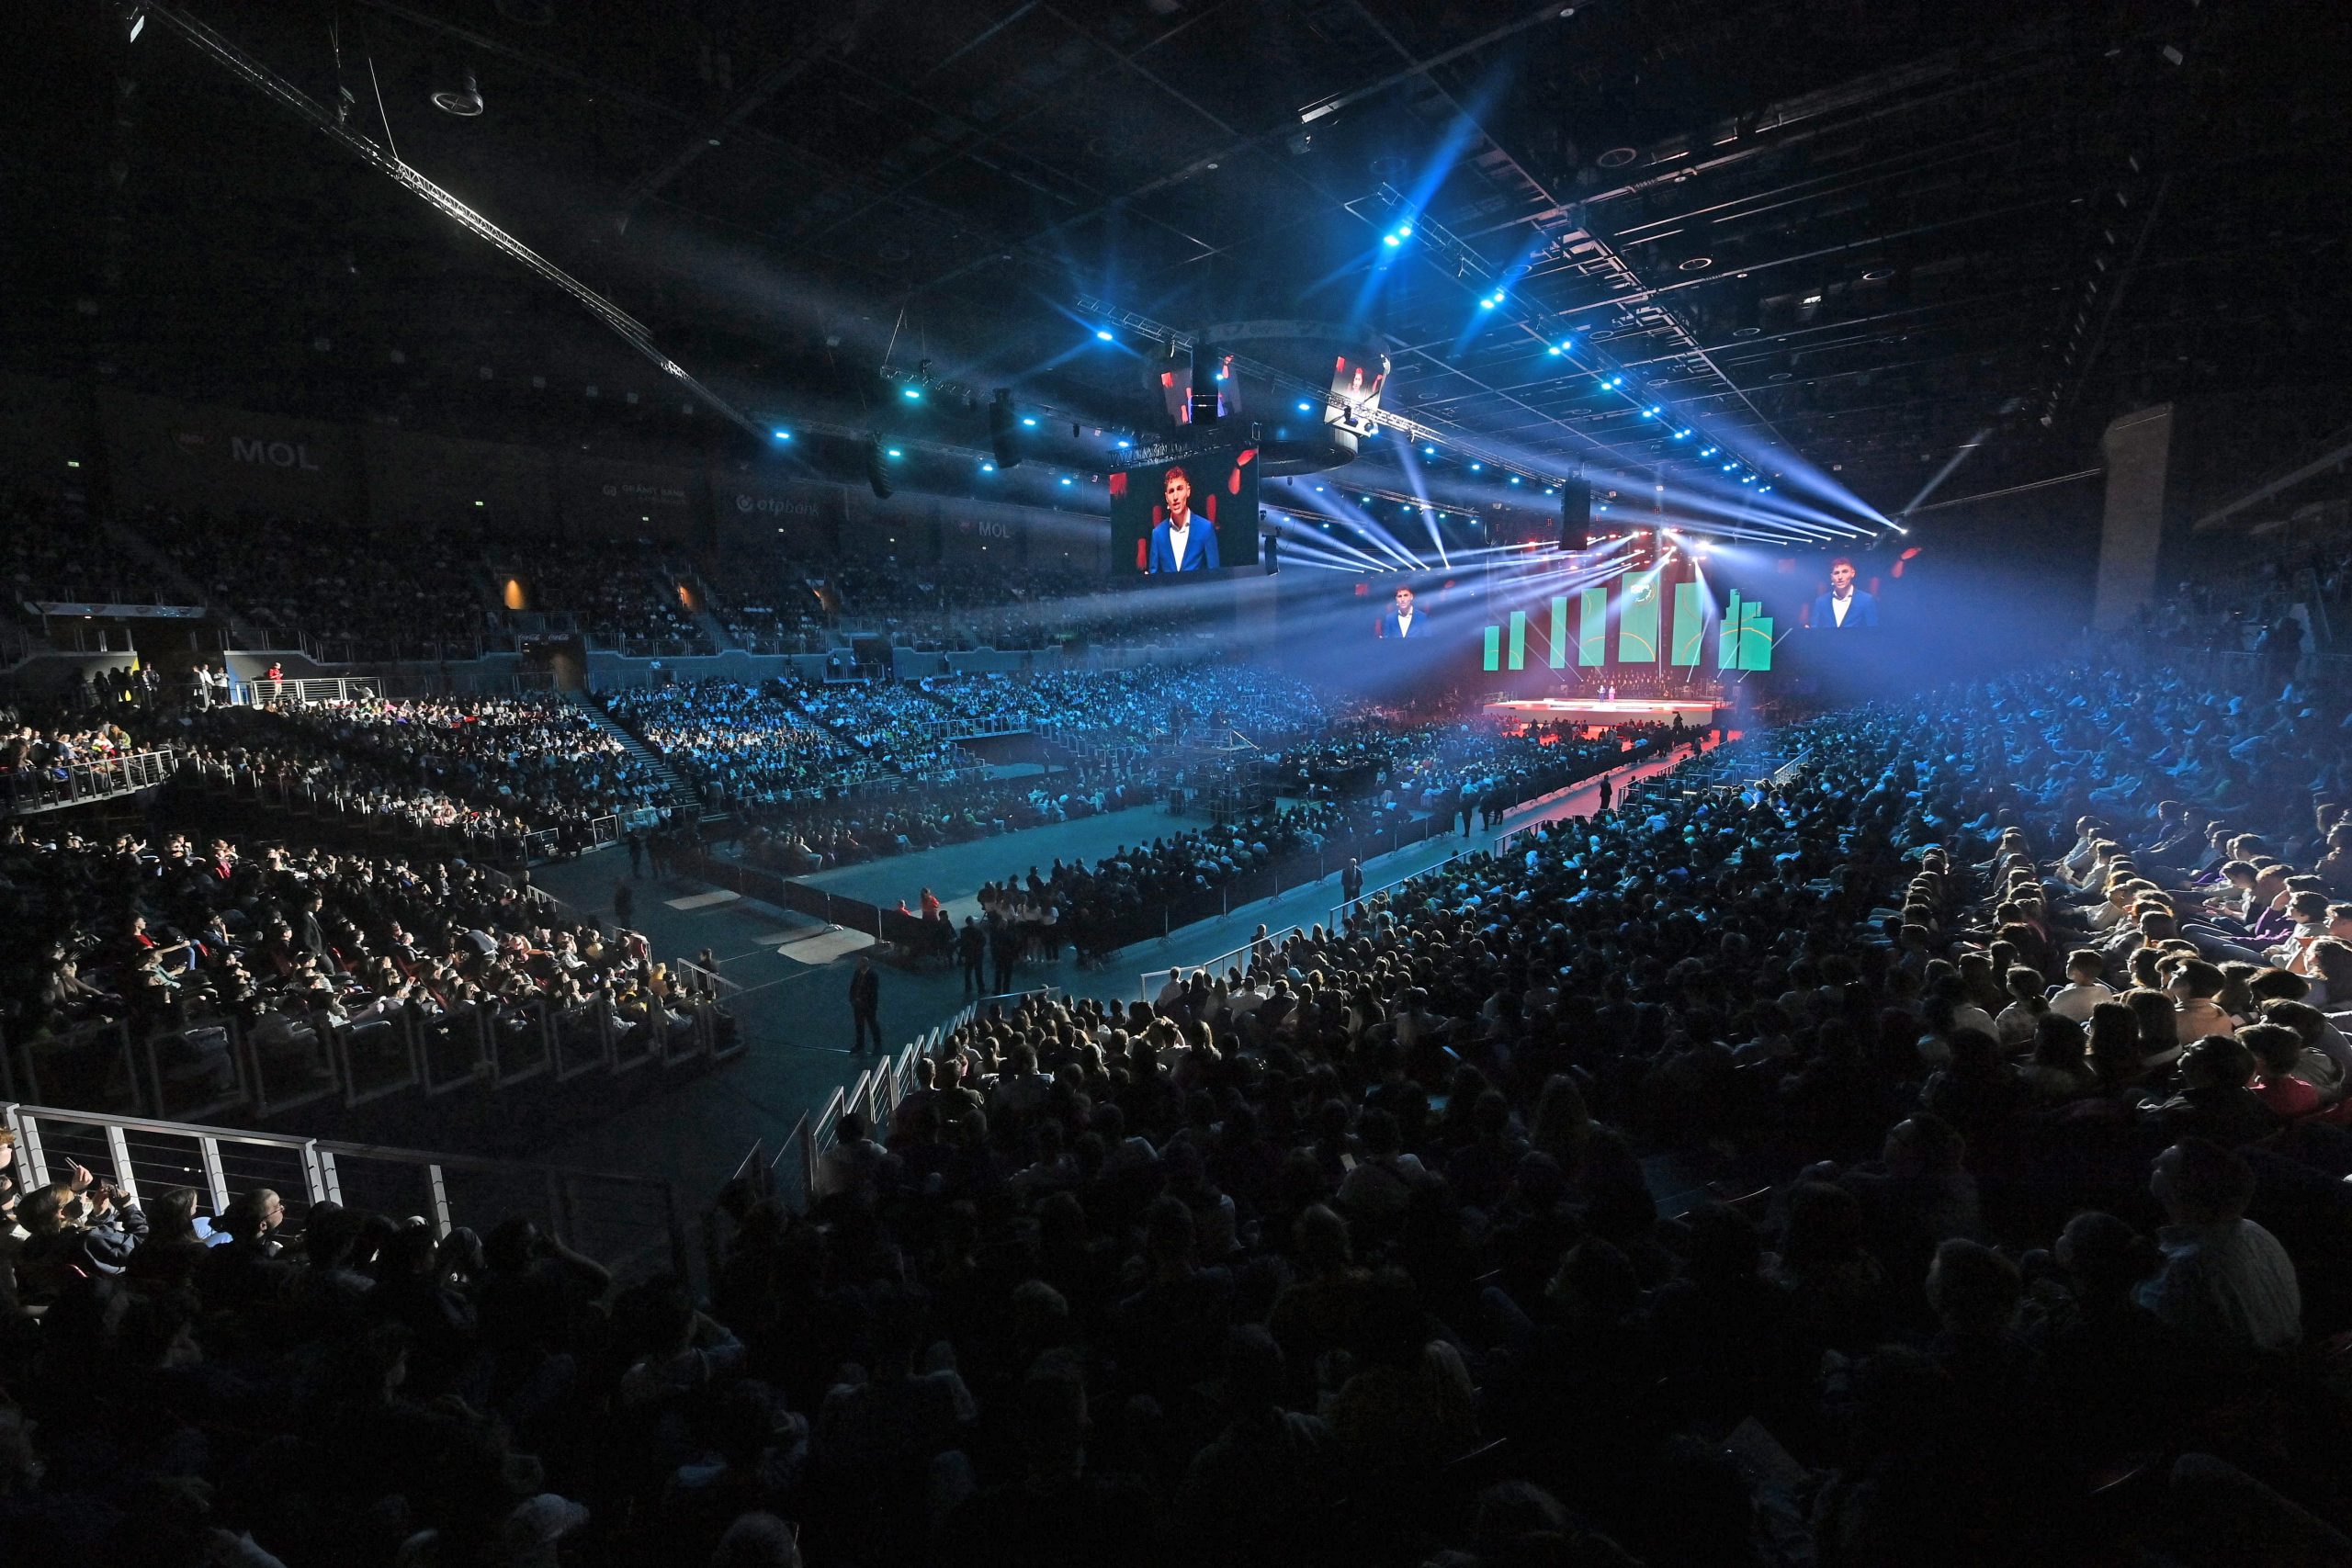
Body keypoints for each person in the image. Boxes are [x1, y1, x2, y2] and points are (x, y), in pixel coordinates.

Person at [2138, 1138, 2301, 1354]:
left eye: (2163, 1166)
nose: (2153, 1162)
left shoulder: (2187, 1268)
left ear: (2185, 1190)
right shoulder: (2256, 1232)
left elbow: (2150, 1319)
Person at [1147, 465, 1219, 572]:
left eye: (1180, 489)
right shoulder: (1158, 534)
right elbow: (1154, 575)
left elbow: (1215, 574)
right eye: (1171, 491)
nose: (1175, 497)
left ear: (1188, 491)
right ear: (1166, 497)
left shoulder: (1205, 528)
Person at [1809, 557, 1879, 629]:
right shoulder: (1821, 602)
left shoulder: (1866, 600)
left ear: (1852, 573)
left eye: (1845, 572)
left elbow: (1872, 631)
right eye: (1836, 573)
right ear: (1832, 577)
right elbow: (1815, 628)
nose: (1840, 577)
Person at [849, 954, 882, 1054]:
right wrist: (853, 999)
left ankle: (877, 1045)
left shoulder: (872, 975)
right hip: (858, 1005)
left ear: (864, 964)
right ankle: (860, 1045)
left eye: (859, 963)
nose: (857, 964)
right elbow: (853, 987)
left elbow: (872, 992)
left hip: (868, 1006)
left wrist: (862, 1000)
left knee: (872, 1025)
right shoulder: (857, 973)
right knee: (859, 1025)